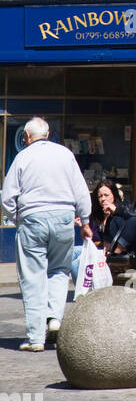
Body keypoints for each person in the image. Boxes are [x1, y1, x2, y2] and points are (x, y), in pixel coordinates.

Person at [0, 116, 93, 350]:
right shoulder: (65, 155)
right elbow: (81, 191)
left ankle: (35, 338)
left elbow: (7, 198)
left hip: (32, 219)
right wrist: (86, 221)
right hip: (63, 218)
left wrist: (18, 218)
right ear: (48, 134)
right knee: (60, 271)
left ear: (27, 137)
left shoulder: (22, 157)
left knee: (33, 277)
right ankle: (54, 319)